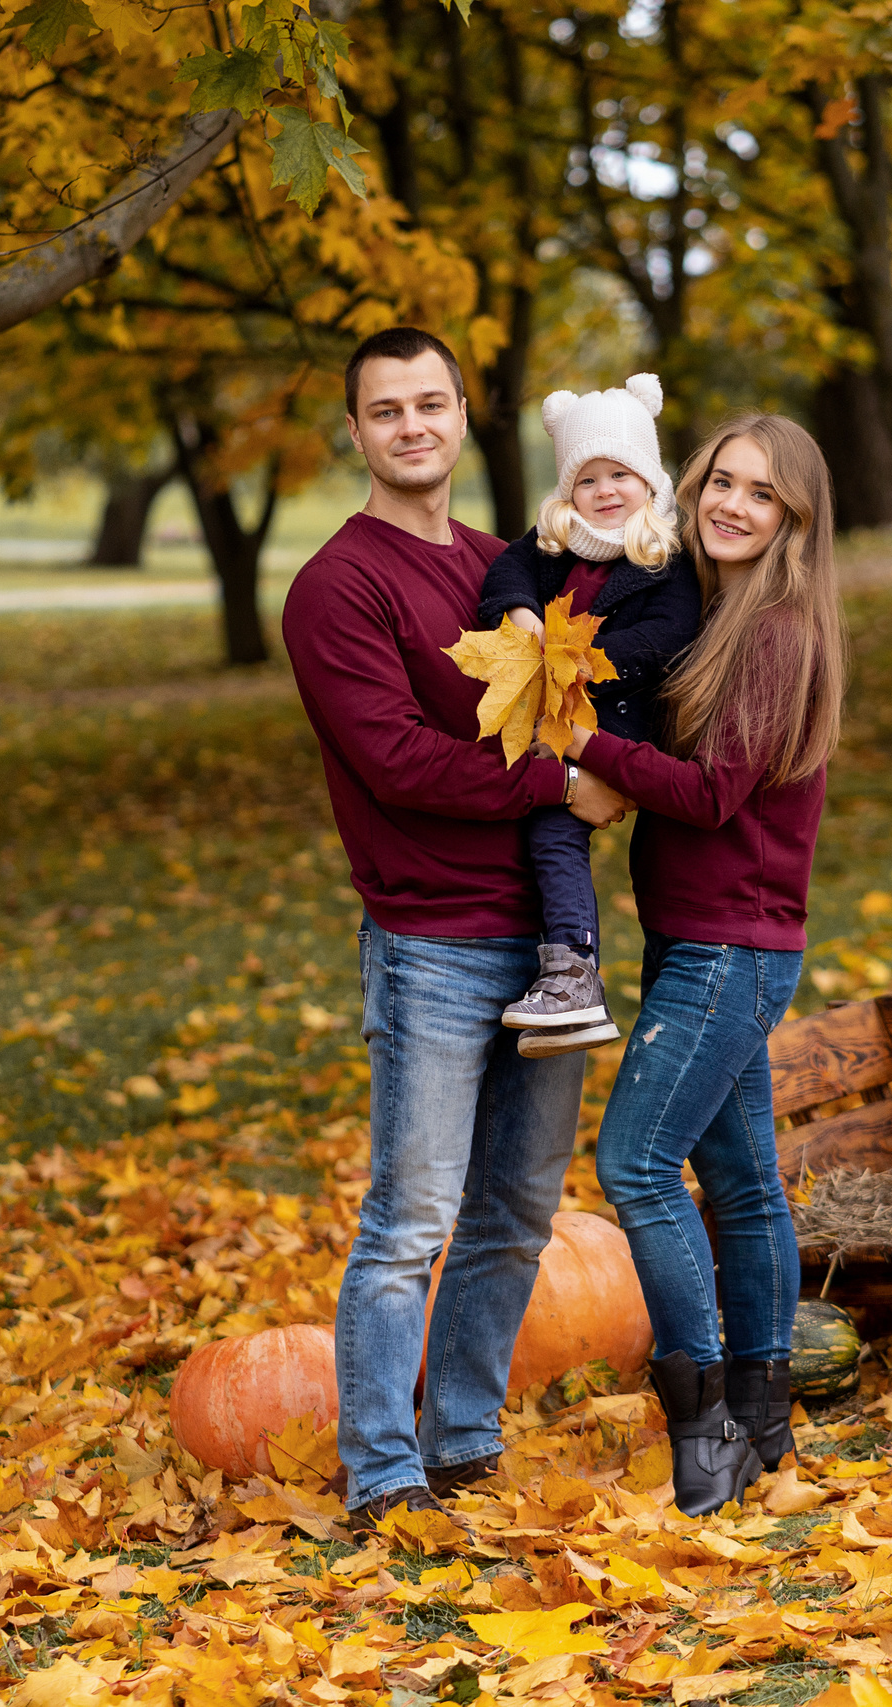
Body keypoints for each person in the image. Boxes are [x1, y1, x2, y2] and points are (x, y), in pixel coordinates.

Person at [279, 327, 634, 1531]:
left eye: (431, 403)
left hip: (548, 947)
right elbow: (396, 762)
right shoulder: (337, 586)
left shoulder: (506, 566)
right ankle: (382, 1467)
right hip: (431, 938)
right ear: (358, 432)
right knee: (409, 1220)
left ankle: (464, 1438)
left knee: (518, 1211)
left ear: (465, 414)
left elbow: (598, 684)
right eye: (387, 411)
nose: (412, 427)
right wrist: (556, 785)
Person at [563, 415, 843, 1516]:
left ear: (794, 521)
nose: (729, 503)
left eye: (759, 494)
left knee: (634, 1164)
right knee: (737, 1179)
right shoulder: (721, 614)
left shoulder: (774, 632)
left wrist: (588, 747)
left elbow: (712, 793)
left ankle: (705, 1415)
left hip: (730, 947)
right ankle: (765, 1416)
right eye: (718, 480)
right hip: (709, 938)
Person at [477, 376, 703, 1059]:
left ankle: (574, 971)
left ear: (649, 479)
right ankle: (565, 970)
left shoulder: (664, 556)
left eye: (621, 474)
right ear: (568, 491)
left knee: (552, 819)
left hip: (619, 724)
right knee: (546, 829)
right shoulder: (554, 544)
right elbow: (506, 573)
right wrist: (517, 613)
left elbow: (666, 635)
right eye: (588, 478)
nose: (605, 491)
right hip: (556, 718)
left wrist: (580, 657)